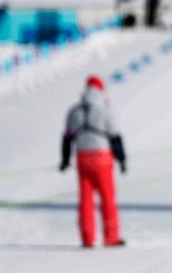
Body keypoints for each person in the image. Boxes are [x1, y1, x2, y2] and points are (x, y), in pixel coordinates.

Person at [60, 76, 127, 248]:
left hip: (82, 157)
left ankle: (87, 238)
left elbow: (67, 138)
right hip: (102, 157)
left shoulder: (74, 111)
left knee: (85, 199)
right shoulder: (106, 109)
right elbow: (115, 136)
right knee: (107, 198)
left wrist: (65, 160)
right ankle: (111, 237)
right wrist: (122, 158)